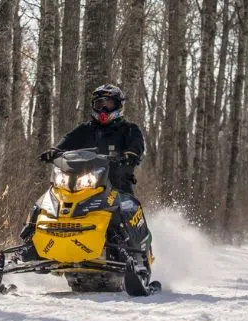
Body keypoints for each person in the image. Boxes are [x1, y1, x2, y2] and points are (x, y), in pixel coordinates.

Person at [23, 84, 152, 266]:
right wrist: (55, 151)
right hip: (85, 184)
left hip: (116, 182)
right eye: (100, 104)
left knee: (125, 208)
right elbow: (67, 141)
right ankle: (29, 243)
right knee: (45, 201)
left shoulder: (129, 129)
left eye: (108, 103)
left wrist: (130, 155)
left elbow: (136, 145)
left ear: (118, 105)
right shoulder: (86, 129)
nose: (104, 108)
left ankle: (134, 254)